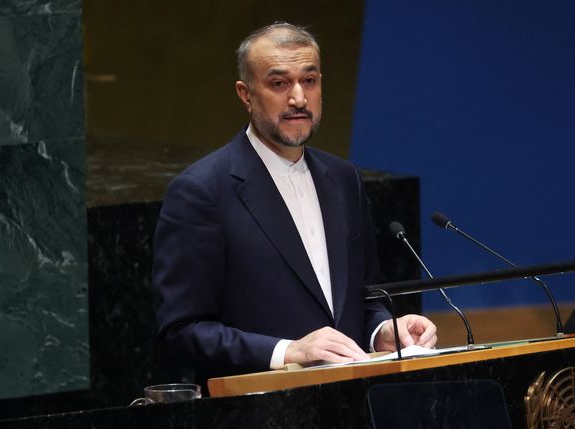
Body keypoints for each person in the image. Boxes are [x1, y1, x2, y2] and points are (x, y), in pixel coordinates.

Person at [152, 22, 437, 382]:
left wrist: (381, 330)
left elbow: (363, 300)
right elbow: (181, 331)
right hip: (260, 419)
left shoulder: (344, 178)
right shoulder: (201, 191)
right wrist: (288, 351)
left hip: (352, 409)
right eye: (279, 83)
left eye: (310, 80)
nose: (298, 99)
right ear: (245, 94)